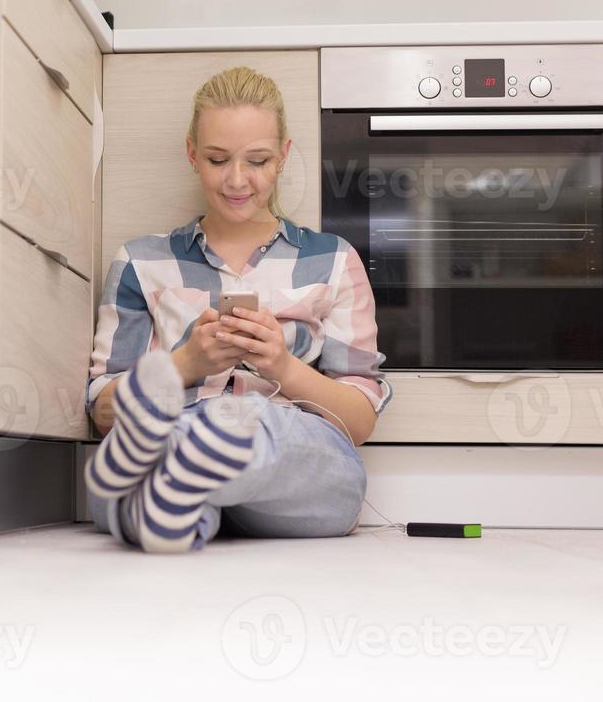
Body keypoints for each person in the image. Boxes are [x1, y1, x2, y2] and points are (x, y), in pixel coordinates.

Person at [84, 65, 392, 553]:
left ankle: (184, 469)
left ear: (283, 157)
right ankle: (189, 481)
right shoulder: (141, 261)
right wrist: (185, 365)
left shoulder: (333, 259)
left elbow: (357, 424)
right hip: (173, 434)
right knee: (158, 439)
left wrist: (283, 367)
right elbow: (103, 414)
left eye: (258, 160)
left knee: (250, 421)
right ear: (192, 154)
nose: (236, 180)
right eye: (217, 158)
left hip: (299, 473)